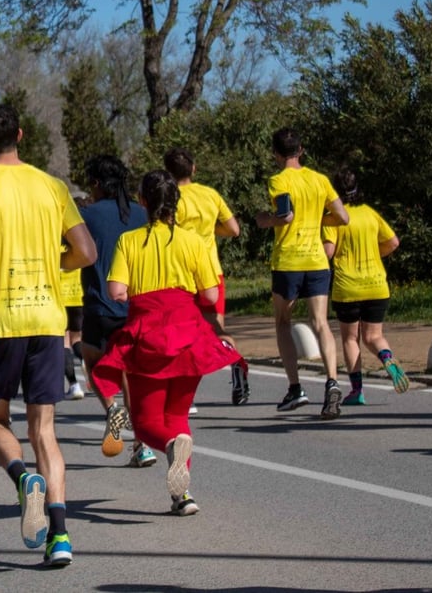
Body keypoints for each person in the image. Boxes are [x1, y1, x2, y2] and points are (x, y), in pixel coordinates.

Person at [0, 102, 96, 566]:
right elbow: (87, 251)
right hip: (48, 321)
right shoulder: (52, 186)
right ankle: (60, 536)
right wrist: (55, 265)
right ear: (21, 133)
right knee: (45, 432)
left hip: (0, 321)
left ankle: (21, 479)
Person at [92, 170, 241, 516]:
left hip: (149, 334)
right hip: (188, 332)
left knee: (146, 423)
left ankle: (171, 448)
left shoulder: (129, 241)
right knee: (177, 414)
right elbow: (210, 293)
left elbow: (116, 291)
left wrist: (132, 293)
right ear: (176, 202)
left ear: (142, 201)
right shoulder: (192, 241)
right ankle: (182, 495)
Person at [255, 128, 350, 419]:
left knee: (283, 322)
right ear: (302, 150)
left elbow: (285, 216)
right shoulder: (319, 180)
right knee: (320, 323)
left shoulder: (278, 180)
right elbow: (343, 217)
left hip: (289, 261)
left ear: (275, 153)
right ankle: (333, 382)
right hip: (318, 259)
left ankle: (295, 388)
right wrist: (318, 216)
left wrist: (263, 220)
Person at [77, 155, 155, 468]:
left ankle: (111, 408)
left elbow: (71, 249)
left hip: (100, 303)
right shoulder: (141, 213)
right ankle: (144, 445)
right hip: (136, 304)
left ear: (96, 183)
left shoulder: (86, 215)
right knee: (130, 373)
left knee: (93, 362)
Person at [165, 147, 250, 407]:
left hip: (182, 274)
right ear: (194, 168)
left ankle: (184, 398)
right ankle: (235, 361)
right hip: (212, 272)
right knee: (216, 328)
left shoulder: (171, 198)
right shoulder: (210, 194)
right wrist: (209, 229)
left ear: (167, 172)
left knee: (181, 337)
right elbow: (234, 229)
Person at [321, 168, 410, 405]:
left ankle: (357, 390)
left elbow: (328, 251)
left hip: (347, 287)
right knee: (374, 336)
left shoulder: (335, 217)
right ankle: (387, 358)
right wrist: (375, 254)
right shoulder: (370, 214)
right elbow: (393, 242)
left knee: (351, 339)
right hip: (376, 284)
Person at [60, 261, 85, 401]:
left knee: (64, 342)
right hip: (78, 294)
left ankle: (74, 385)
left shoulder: (53, 244)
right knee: (77, 337)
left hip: (59, 297)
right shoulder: (76, 243)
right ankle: (84, 360)